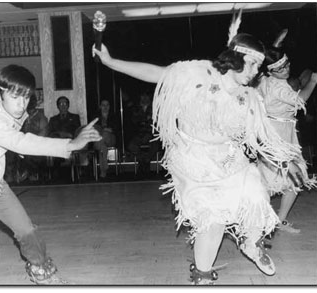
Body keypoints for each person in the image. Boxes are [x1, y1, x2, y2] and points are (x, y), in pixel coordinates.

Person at [93, 12, 304, 284]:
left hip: (229, 159)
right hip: (193, 161)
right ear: (236, 57)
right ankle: (202, 274)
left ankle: (251, 243)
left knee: (255, 196)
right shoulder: (196, 72)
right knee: (212, 219)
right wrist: (110, 61)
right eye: (252, 64)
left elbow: (262, 137)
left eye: (258, 67)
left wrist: (286, 162)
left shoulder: (249, 96)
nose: (255, 72)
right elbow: (156, 74)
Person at [0, 64, 101, 285]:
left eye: (26, 98)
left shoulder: (13, 109)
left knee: (26, 229)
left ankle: (40, 269)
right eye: (15, 97)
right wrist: (71, 144)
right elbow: (19, 142)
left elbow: (13, 136)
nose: (21, 105)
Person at [256, 30, 317, 233]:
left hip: (279, 132)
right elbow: (300, 102)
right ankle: (260, 222)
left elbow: (264, 65)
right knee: (274, 180)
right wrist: (314, 82)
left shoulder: (266, 78)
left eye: (287, 64)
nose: (286, 69)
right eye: (280, 68)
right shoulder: (278, 88)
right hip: (277, 135)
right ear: (271, 71)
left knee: (289, 179)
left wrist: (273, 48)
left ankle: (275, 221)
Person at [127, 91, 159, 176]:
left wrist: (144, 121)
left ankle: (146, 161)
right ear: (140, 97)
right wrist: (146, 120)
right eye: (143, 96)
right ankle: (143, 161)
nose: (145, 98)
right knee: (131, 145)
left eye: (146, 96)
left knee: (156, 145)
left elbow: (156, 122)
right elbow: (134, 121)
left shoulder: (155, 108)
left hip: (151, 133)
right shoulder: (136, 108)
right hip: (139, 134)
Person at [20, 94, 49, 181]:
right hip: (22, 144)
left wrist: (33, 141)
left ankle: (33, 174)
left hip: (37, 143)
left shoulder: (41, 117)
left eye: (31, 102)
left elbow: (44, 132)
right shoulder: (21, 116)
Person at [93, 99, 117, 179]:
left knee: (104, 135)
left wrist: (104, 130)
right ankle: (104, 168)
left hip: (111, 139)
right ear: (100, 107)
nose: (105, 107)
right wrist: (106, 129)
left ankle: (103, 170)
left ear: (109, 107)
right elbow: (94, 129)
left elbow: (117, 129)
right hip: (99, 139)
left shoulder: (114, 116)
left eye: (107, 105)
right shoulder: (95, 117)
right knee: (102, 146)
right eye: (103, 105)